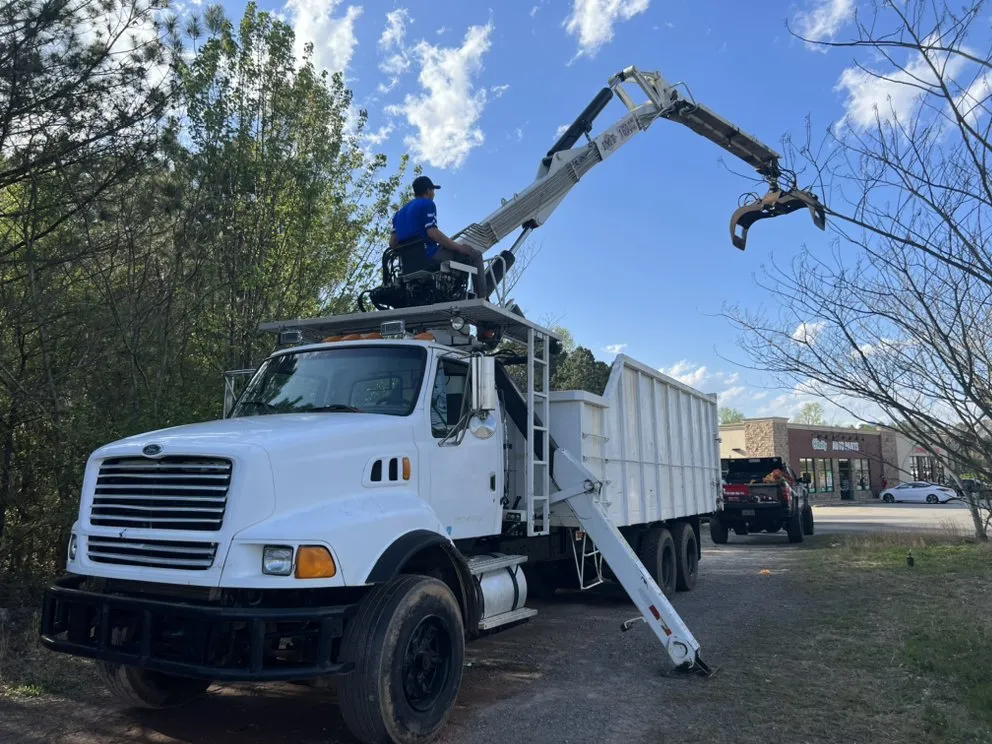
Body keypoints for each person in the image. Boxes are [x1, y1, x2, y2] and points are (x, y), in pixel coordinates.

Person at [390, 175, 486, 297]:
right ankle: (482, 297)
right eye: (433, 190)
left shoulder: (398, 214)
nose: (434, 194)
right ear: (427, 191)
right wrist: (460, 247)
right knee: (474, 255)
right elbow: (433, 233)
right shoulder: (427, 204)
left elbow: (392, 243)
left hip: (408, 265)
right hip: (429, 257)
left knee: (452, 252)